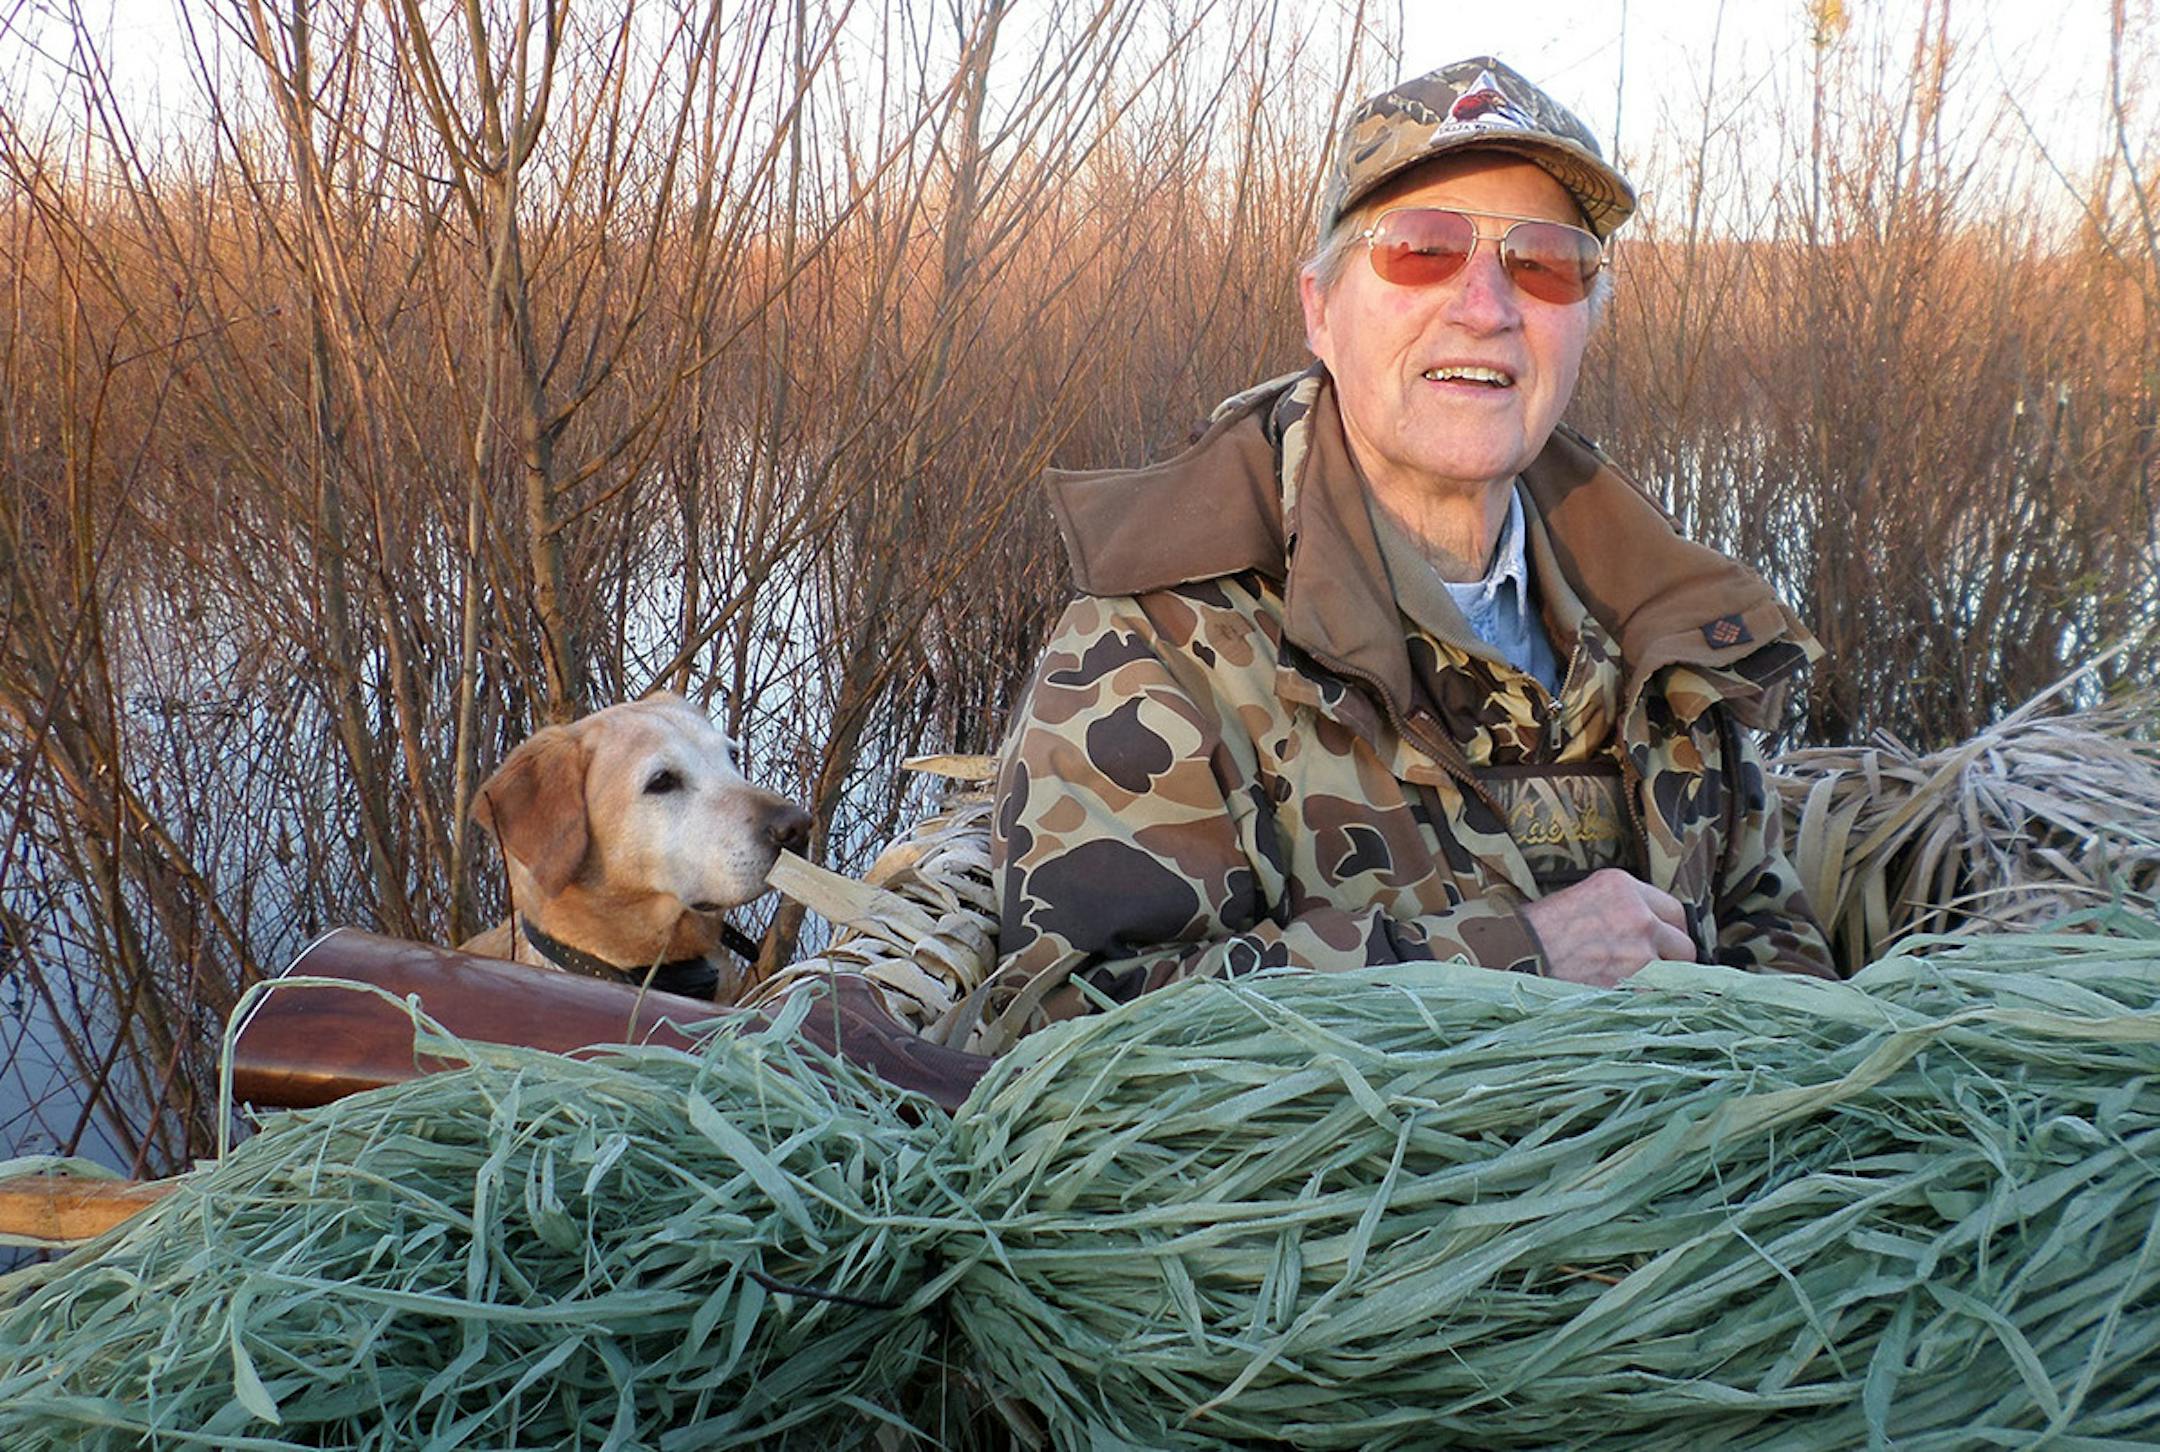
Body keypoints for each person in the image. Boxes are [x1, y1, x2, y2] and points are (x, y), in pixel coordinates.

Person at [973, 57, 1834, 1055]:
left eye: (1546, 262)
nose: (1487, 306)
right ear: (1320, 310)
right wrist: (1515, 961)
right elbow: (1081, 1034)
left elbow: (1779, 960)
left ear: (1587, 319)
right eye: (1424, 249)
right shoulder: (1154, 640)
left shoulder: (1671, 624)